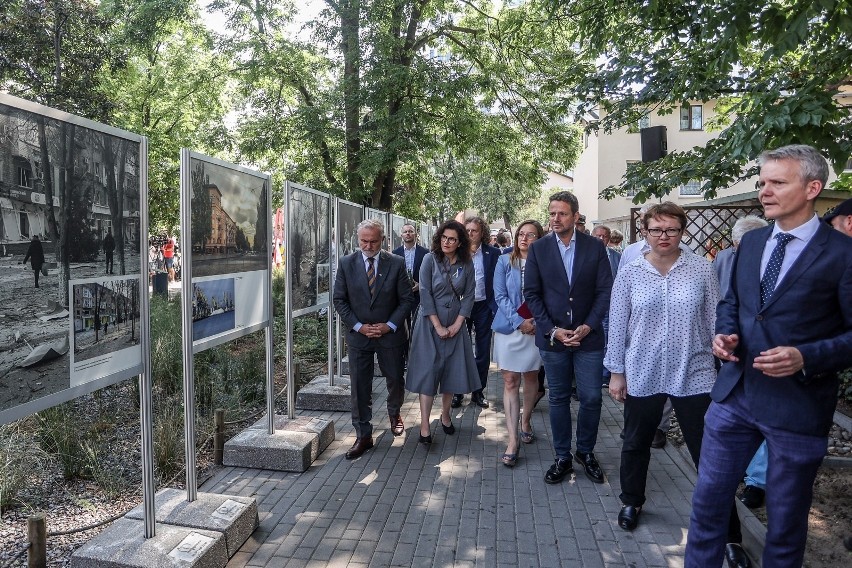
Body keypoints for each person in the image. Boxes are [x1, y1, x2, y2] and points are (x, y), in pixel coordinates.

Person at [686, 145, 852, 568]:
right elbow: (733, 303)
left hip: (798, 407)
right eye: (762, 182)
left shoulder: (843, 253)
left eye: (778, 182)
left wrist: (806, 356)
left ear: (813, 188)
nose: (765, 191)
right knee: (706, 509)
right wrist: (725, 334)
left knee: (785, 526)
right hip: (735, 398)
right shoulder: (753, 241)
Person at [605, 203, 743, 549]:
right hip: (643, 369)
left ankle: (730, 535)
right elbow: (618, 325)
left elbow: (716, 318)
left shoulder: (701, 269)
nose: (663, 236)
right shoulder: (631, 272)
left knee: (708, 454)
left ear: (682, 231)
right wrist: (616, 373)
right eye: (655, 230)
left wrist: (725, 349)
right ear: (645, 232)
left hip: (694, 370)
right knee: (636, 442)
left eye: (671, 230)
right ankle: (632, 501)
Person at [524, 191, 613, 485]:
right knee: (559, 398)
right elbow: (532, 295)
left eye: (561, 213)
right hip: (554, 339)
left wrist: (588, 326)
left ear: (575, 216)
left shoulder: (594, 247)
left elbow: (604, 291)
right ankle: (562, 456)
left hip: (588, 338)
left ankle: (584, 452)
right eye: (551, 213)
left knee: (591, 397)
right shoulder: (539, 249)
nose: (555, 219)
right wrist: (552, 330)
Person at [332, 219, 416, 460]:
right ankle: (363, 435)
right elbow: (339, 300)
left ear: (383, 240)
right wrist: (359, 327)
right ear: (358, 240)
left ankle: (394, 413)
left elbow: (407, 300)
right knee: (359, 387)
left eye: (373, 241)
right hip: (360, 337)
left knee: (395, 380)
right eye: (363, 241)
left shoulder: (396, 263)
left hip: (390, 335)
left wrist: (389, 326)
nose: (368, 246)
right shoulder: (347, 264)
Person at [406, 220, 480, 445]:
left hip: (456, 321)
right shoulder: (430, 259)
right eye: (444, 238)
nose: (447, 242)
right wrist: (438, 326)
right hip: (429, 321)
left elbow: (469, 295)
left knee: (451, 371)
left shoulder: (466, 263)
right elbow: (425, 294)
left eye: (452, 239)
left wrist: (458, 324)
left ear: (460, 243)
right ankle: (425, 426)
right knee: (428, 372)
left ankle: (446, 415)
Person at [492, 220, 545, 467]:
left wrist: (534, 321)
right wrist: (518, 321)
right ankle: (512, 440)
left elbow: (549, 295)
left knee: (531, 377)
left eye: (531, 235)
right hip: (509, 328)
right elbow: (500, 296)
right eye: (521, 234)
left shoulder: (545, 263)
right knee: (510, 380)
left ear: (540, 238)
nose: (524, 239)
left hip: (536, 328)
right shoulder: (504, 261)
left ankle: (526, 420)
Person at [451, 216, 500, 409]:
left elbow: (497, 281)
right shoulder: (457, 252)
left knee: (482, 351)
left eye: (475, 230)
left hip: (483, 306)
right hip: (460, 307)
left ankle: (478, 392)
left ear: (482, 233)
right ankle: (457, 392)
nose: (470, 233)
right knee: (459, 350)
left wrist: (494, 307)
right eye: (468, 230)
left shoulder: (493, 253)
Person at [592, 225, 621, 389]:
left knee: (610, 337)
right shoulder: (585, 255)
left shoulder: (617, 256)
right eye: (598, 236)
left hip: (613, 304)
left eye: (604, 236)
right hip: (594, 304)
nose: (601, 239)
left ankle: (607, 373)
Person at [392, 223, 428, 348]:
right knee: (403, 325)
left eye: (411, 231)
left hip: (420, 294)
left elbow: (430, 274)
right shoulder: (394, 253)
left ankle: (418, 351)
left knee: (419, 324)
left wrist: (420, 285)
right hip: (401, 296)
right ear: (401, 235)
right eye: (405, 232)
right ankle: (406, 353)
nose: (408, 233)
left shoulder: (425, 253)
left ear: (415, 234)